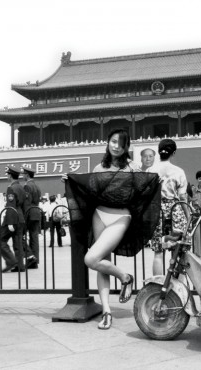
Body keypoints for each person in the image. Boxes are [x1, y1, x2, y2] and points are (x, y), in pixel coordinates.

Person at [82, 129, 142, 330]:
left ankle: (125, 277)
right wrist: (70, 182)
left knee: (91, 259)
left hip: (120, 217)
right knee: (101, 261)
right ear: (108, 142)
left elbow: (142, 191)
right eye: (113, 141)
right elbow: (89, 191)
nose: (116, 146)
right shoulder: (99, 167)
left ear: (126, 147)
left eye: (121, 143)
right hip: (99, 215)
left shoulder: (134, 167)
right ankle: (107, 311)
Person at [150, 138, 190, 276]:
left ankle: (157, 287)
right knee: (177, 250)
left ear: (158, 152)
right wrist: (189, 216)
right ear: (173, 153)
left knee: (158, 252)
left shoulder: (150, 170)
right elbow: (183, 197)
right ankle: (177, 289)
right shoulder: (178, 171)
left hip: (157, 211)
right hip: (175, 210)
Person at [0, 165, 27, 272]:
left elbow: (11, 206)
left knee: (1, 239)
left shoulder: (11, 188)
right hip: (21, 218)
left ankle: (11, 261)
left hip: (12, 218)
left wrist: (9, 223)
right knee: (18, 242)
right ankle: (20, 265)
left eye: (8, 174)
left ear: (10, 175)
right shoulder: (22, 187)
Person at [21, 166, 42, 269]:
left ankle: (30, 257)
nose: (23, 176)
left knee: (20, 236)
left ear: (27, 175)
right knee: (34, 237)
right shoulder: (37, 186)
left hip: (29, 213)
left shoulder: (27, 186)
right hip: (37, 212)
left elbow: (26, 203)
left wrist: (23, 216)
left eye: (23, 174)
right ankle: (35, 260)